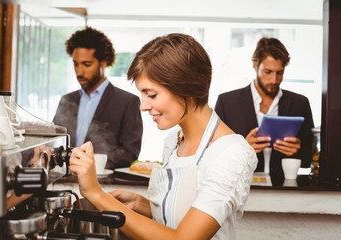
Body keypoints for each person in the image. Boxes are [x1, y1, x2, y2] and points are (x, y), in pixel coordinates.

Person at [69, 33, 258, 240]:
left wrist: (96, 193)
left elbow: (183, 239)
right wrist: (146, 206)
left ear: (186, 88)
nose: (143, 106)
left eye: (151, 95)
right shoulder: (174, 141)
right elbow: (181, 217)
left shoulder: (230, 154)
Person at [214, 37, 314, 183]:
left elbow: (310, 158)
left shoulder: (300, 103)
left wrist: (297, 151)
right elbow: (213, 155)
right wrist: (243, 149)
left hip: (285, 190)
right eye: (267, 72)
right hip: (238, 187)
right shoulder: (227, 102)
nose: (274, 80)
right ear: (255, 65)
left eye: (279, 73)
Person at [53, 27, 143, 170]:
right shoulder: (67, 101)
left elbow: (129, 154)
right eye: (76, 64)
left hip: (106, 185)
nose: (79, 72)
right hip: (66, 179)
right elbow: (55, 142)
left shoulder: (127, 102)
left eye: (87, 64)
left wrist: (89, 164)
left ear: (103, 62)